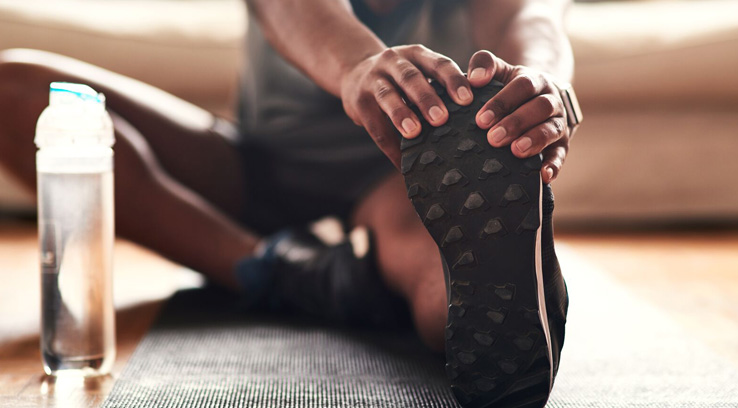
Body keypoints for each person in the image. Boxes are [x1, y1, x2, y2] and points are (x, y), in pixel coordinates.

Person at [0, 0, 578, 406]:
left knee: (452, 290)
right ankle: (283, 268)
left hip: (404, 172)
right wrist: (356, 67)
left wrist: (543, 85)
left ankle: (515, 290)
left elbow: (529, 14)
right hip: (256, 163)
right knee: (12, 89)